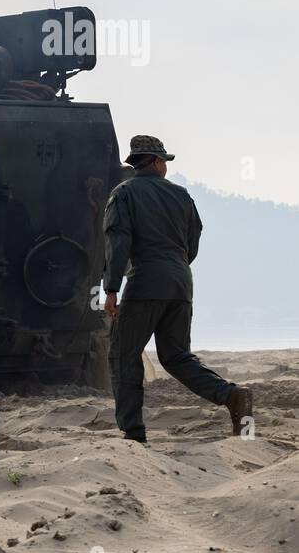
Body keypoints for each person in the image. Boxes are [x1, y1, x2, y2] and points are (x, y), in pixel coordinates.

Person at [104, 135, 252, 443]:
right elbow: (192, 242)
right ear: (157, 163)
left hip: (145, 283)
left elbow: (119, 243)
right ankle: (231, 396)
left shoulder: (124, 194)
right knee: (175, 356)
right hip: (181, 283)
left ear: (136, 163)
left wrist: (112, 288)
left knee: (123, 355)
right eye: (165, 162)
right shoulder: (182, 196)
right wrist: (176, 267)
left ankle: (133, 432)